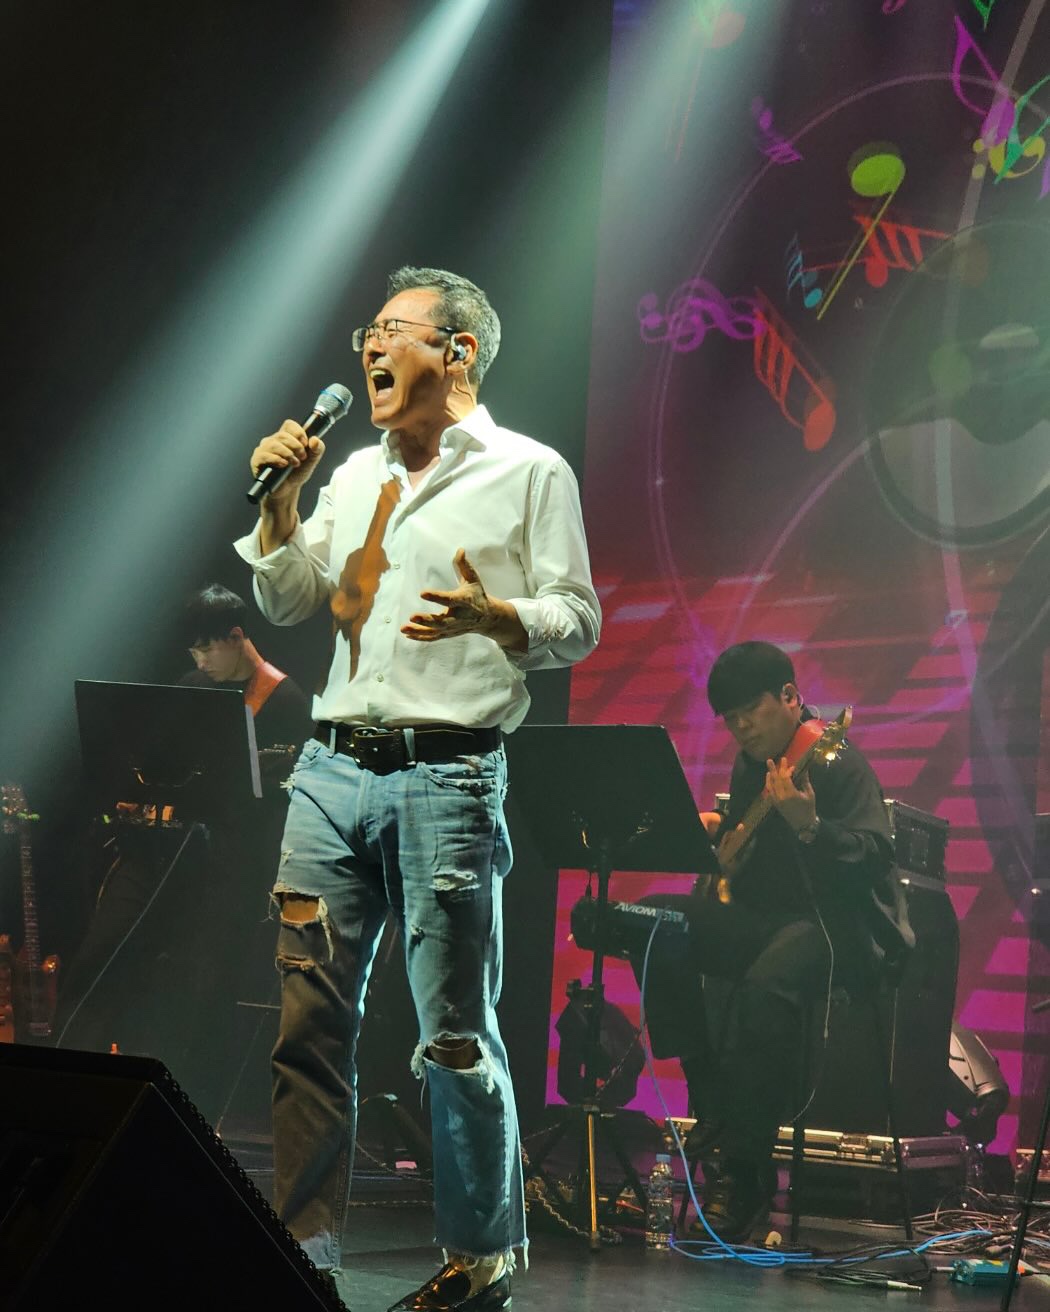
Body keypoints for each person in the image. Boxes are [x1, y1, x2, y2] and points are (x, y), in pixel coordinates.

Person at [234, 266, 600, 1311]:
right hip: (329, 772)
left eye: (394, 331)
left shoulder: (530, 471)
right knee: (307, 1021)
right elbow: (292, 596)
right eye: (369, 333)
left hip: (448, 775)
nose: (370, 349)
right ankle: (302, 1251)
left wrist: (500, 618)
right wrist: (283, 505)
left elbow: (579, 619)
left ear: (458, 351)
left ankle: (483, 1259)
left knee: (453, 1033)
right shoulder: (353, 474)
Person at [602, 641, 912, 1242]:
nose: (741, 727)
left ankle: (745, 1177)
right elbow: (746, 863)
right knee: (651, 922)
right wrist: (718, 835)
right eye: (731, 719)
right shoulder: (751, 766)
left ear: (790, 697)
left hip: (837, 931)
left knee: (766, 987)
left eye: (751, 711)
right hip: (763, 922)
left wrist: (812, 828)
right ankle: (711, 1095)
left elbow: (876, 857)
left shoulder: (837, 761)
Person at [56, 585, 311, 1123]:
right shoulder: (192, 688)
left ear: (236, 637)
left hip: (227, 871)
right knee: (97, 959)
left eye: (207, 649)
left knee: (198, 994)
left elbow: (277, 801)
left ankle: (184, 1117)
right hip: (159, 852)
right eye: (192, 651)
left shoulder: (287, 701)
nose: (199, 662)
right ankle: (68, 1095)